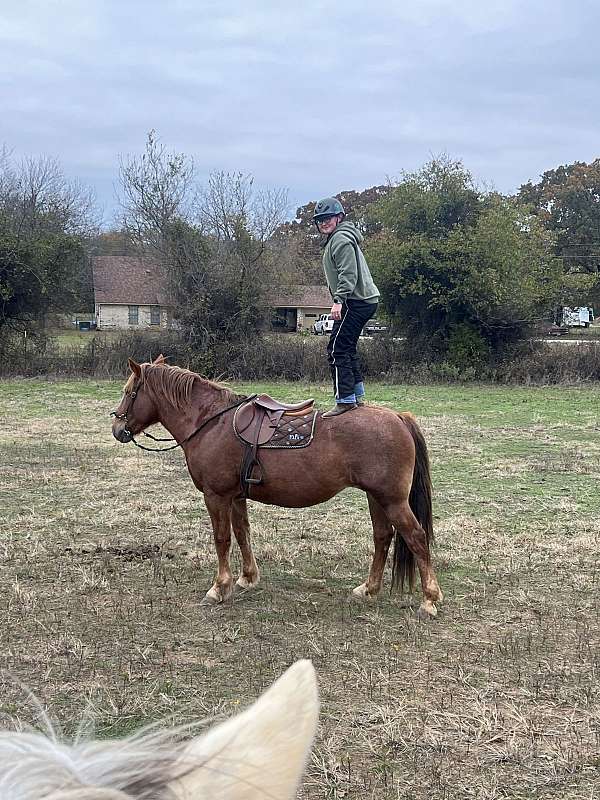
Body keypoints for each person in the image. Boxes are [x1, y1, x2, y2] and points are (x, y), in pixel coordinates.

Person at [312, 197, 380, 417]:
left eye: (328, 218)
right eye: (320, 220)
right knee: (347, 347)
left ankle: (345, 400)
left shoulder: (340, 240)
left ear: (339, 217)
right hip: (363, 300)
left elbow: (347, 273)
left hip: (355, 301)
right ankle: (357, 395)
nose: (324, 222)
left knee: (336, 348)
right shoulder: (338, 238)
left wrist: (338, 300)